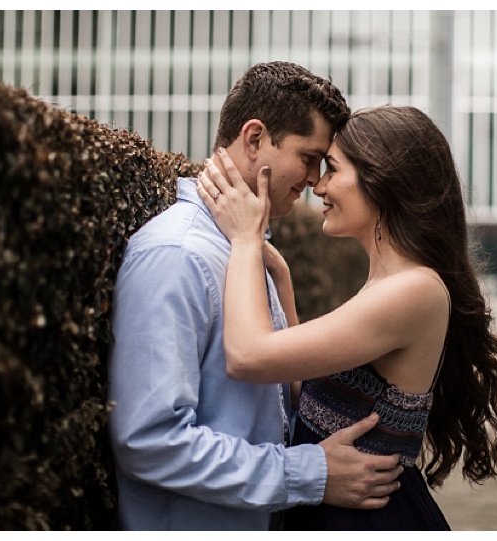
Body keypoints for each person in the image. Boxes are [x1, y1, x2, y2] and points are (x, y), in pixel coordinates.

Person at [196, 105, 497, 530]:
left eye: (331, 169)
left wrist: (245, 239)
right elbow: (309, 393)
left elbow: (247, 356)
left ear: (383, 181)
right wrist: (282, 283)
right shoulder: (388, 283)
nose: (318, 185)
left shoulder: (414, 290)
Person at [107, 63, 404, 531]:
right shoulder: (178, 255)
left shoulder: (244, 249)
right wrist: (308, 473)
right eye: (309, 157)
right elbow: (150, 441)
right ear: (254, 139)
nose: (313, 180)